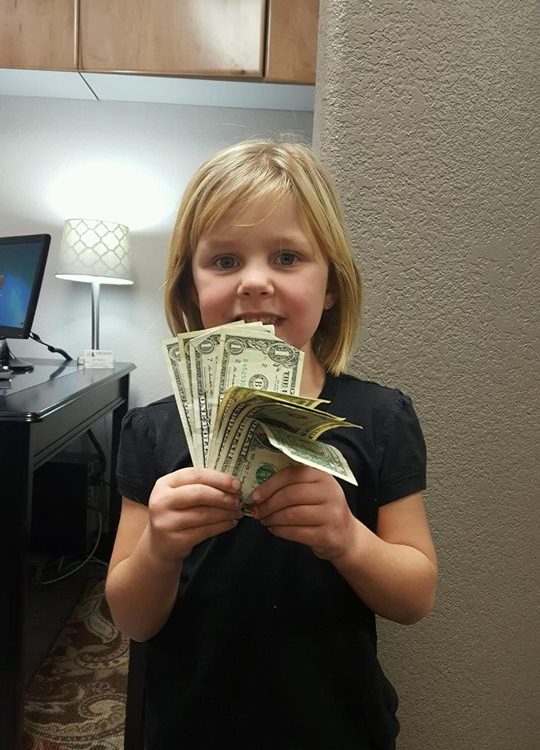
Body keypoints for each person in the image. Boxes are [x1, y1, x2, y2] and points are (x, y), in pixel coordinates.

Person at [105, 140, 437, 750]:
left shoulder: (382, 418)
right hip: (191, 725)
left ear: (331, 285)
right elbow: (130, 617)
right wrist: (159, 547)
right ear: (189, 291)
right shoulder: (150, 430)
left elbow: (415, 593)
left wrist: (347, 538)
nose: (255, 282)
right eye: (225, 261)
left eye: (286, 257)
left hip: (338, 726)